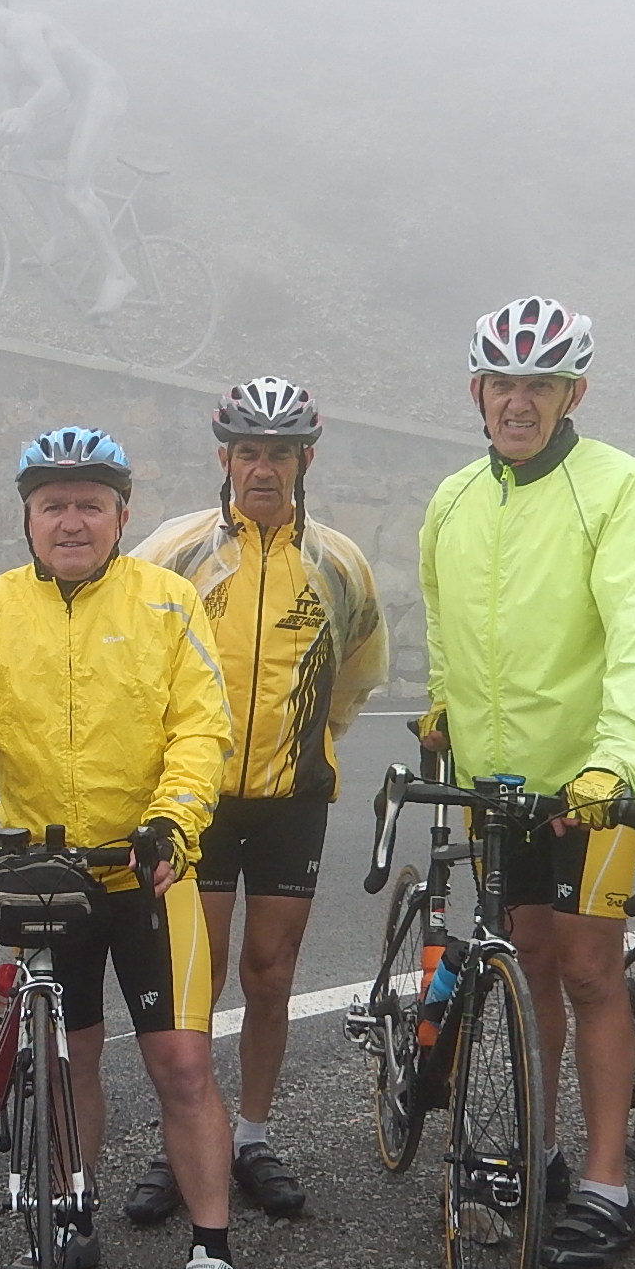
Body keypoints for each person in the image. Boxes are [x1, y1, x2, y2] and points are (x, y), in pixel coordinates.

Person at [0, 425, 244, 1269]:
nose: (72, 521)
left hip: (147, 874)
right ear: (28, 518)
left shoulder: (168, 604)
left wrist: (173, 821)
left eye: (91, 504)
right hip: (43, 877)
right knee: (66, 1056)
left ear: (122, 516)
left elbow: (200, 729)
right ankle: (68, 1218)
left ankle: (211, 1252)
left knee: (182, 1064)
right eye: (54, 505)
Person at [418, 299, 635, 1269]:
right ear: (476, 392)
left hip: (593, 783)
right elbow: (442, 618)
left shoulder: (617, 484)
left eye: (540, 385)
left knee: (589, 969)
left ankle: (609, 1185)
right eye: (503, 384)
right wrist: (441, 701)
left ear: (575, 393)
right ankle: (540, 1151)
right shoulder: (452, 499)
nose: (518, 402)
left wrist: (618, 762)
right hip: (499, 787)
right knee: (527, 960)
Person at [120, 376, 387, 1223]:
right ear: (225, 457)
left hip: (291, 798)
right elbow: (128, 652)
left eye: (280, 454)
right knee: (192, 979)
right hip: (196, 799)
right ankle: (182, 1139)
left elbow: (360, 671)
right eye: (248, 453)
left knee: (271, 975)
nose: (263, 469)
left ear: (306, 460)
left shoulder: (338, 562)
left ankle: (252, 1136)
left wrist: (311, 739)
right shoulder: (175, 548)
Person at [0, 0, 136, 317]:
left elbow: (56, 88)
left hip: (101, 91)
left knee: (76, 191)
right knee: (17, 154)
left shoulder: (22, 27)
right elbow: (3, 130)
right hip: (73, 105)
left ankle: (119, 275)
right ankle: (59, 236)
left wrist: (26, 112)